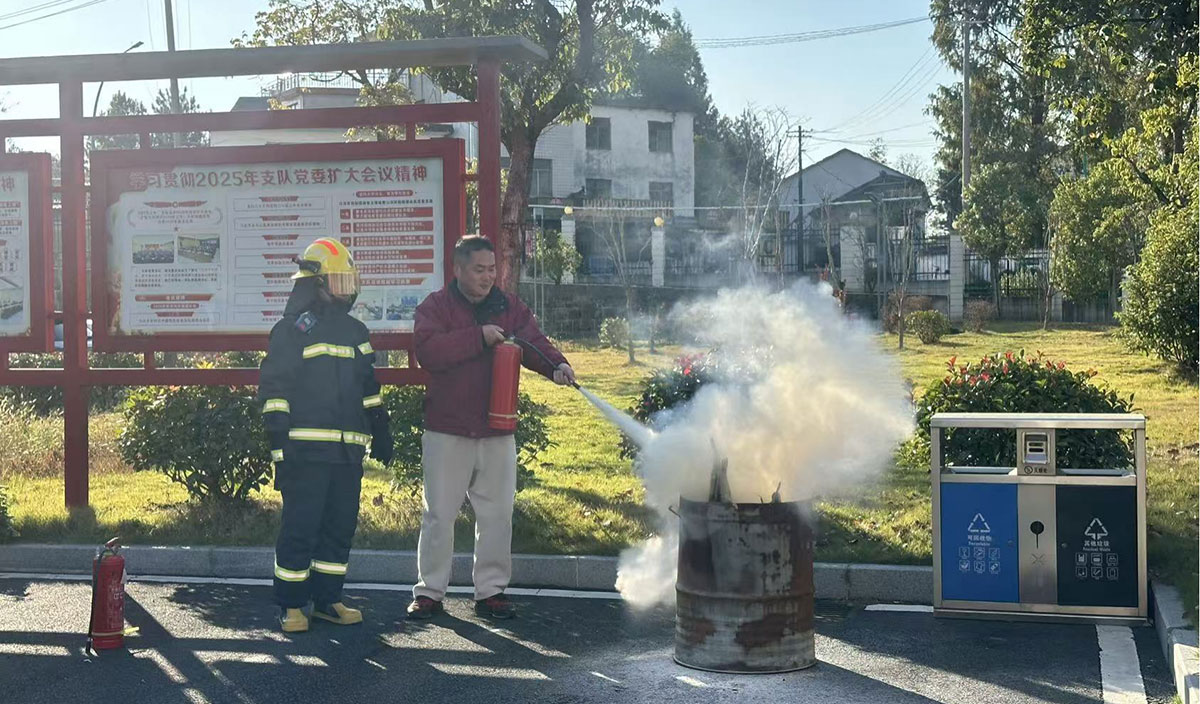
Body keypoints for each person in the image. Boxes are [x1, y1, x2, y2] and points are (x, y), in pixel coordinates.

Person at [407, 236, 575, 620]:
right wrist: (477, 337)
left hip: (497, 429)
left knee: (497, 513)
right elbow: (429, 352)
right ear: (458, 269)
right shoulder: (435, 308)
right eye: (479, 270)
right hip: (447, 429)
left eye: (491, 269)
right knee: (439, 514)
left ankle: (491, 592)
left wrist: (556, 366)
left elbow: (533, 341)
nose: (487, 277)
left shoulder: (509, 307)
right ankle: (429, 592)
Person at [259, 237, 394, 633]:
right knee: (301, 528)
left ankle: (328, 599)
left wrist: (381, 428)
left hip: (348, 453)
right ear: (313, 284)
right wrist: (280, 448)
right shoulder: (292, 330)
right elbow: (274, 391)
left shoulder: (356, 331)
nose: (344, 290)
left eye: (347, 281)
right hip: (305, 452)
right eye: (336, 281)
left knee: (339, 527)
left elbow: (369, 387)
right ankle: (291, 604)